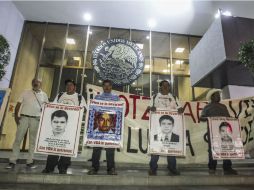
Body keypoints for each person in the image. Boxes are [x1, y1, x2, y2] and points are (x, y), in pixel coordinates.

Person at [42, 79, 86, 174]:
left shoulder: (79, 97)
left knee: (67, 148)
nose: (69, 87)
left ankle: (63, 167)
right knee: (54, 146)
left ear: (74, 87)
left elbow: (84, 110)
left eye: (71, 85)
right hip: (58, 126)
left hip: (71, 128)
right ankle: (49, 167)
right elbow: (52, 107)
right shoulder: (60, 95)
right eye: (67, 85)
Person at [5, 79, 48, 169]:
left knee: (32, 141)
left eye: (37, 82)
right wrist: (16, 117)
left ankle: (30, 161)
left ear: (41, 84)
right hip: (24, 118)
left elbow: (46, 108)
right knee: (18, 139)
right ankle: (12, 161)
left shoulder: (44, 95)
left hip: (36, 120)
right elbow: (18, 104)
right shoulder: (25, 92)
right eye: (34, 82)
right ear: (32, 84)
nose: (35, 84)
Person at [148, 80, 184, 176]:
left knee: (171, 147)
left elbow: (180, 108)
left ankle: (172, 168)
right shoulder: (155, 96)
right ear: (160, 87)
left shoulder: (174, 97)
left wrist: (180, 110)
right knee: (156, 147)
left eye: (167, 86)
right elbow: (149, 107)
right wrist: (151, 108)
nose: (166, 88)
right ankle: (153, 168)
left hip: (171, 127)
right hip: (158, 128)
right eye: (164, 86)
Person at [200, 89, 238, 175]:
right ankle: (212, 167)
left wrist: (233, 119)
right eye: (217, 95)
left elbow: (228, 118)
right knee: (212, 149)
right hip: (213, 132)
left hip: (225, 132)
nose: (219, 96)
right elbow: (201, 118)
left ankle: (227, 167)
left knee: (227, 147)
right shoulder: (207, 107)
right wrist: (209, 119)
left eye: (219, 95)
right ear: (212, 97)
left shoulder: (223, 107)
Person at [87, 79, 120, 175]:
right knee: (96, 148)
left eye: (108, 85)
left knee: (110, 148)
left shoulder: (116, 98)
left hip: (111, 126)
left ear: (111, 87)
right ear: (102, 87)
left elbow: (119, 111)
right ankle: (94, 168)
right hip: (99, 126)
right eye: (105, 85)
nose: (106, 87)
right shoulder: (97, 97)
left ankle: (111, 169)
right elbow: (94, 111)